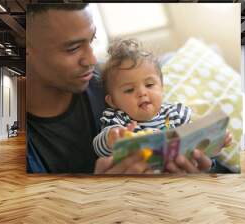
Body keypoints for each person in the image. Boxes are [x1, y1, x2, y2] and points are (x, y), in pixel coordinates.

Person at [26, 3, 231, 174]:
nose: (92, 59)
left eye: (92, 40)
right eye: (72, 48)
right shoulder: (116, 113)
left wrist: (207, 164)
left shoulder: (105, 81)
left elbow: (203, 151)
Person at [93, 39, 193, 159]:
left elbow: (194, 141)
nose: (142, 93)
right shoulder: (118, 120)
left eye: (149, 85)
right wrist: (112, 138)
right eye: (129, 90)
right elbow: (99, 149)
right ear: (113, 101)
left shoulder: (174, 114)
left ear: (161, 87)